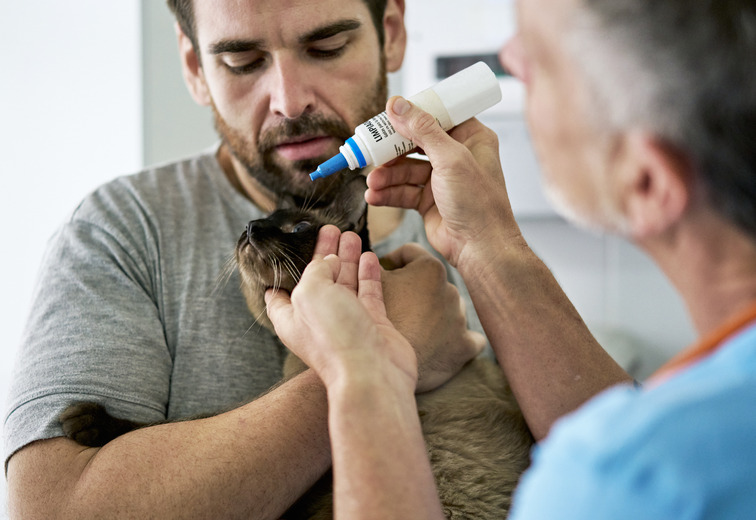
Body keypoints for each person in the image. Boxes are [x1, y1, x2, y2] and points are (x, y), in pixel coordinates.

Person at [266, 0, 756, 517]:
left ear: (648, 181)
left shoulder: (616, 482)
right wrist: (483, 240)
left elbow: (636, 469)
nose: (508, 57)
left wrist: (362, 371)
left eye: (543, 63)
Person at [4, 1, 486, 518]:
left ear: (390, 32)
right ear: (194, 68)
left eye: (326, 48)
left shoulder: (463, 215)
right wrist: (379, 360)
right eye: (243, 62)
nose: (290, 102)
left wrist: (496, 251)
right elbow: (51, 507)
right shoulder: (120, 228)